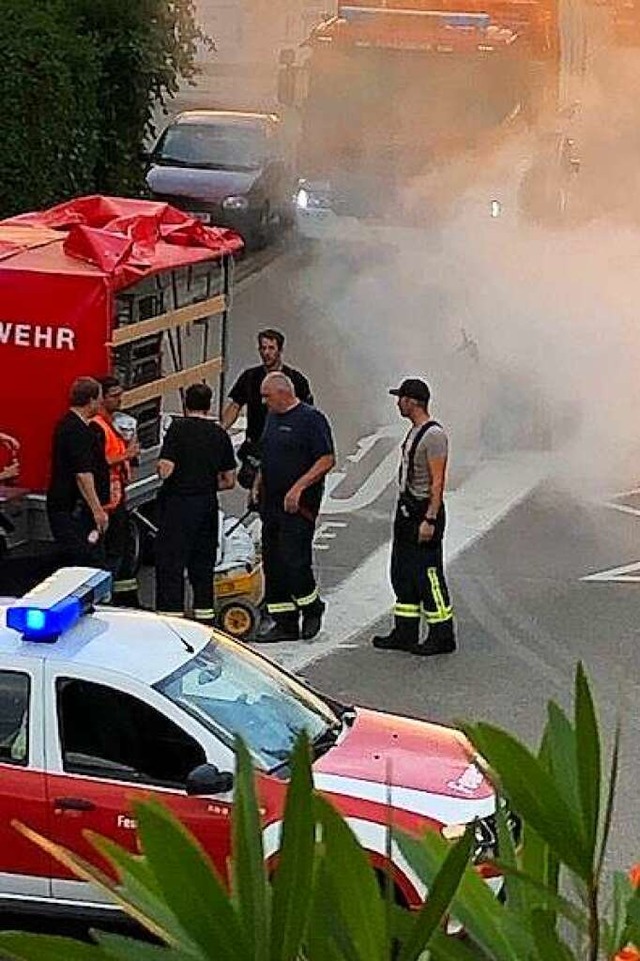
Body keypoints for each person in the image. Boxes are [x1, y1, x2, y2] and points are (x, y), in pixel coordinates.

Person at [372, 378, 456, 656]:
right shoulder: (415, 432)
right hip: (407, 510)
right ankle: (405, 631)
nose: (398, 403)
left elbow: (437, 480)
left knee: (427, 574)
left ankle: (442, 635)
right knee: (402, 572)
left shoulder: (434, 436)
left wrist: (430, 519)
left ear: (413, 401)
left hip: (423, 511)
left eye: (401, 398)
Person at [253, 372, 335, 643]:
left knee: (294, 560)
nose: (264, 402)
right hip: (272, 504)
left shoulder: (311, 419)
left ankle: (311, 608)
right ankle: (284, 621)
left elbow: (326, 459)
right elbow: (267, 455)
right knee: (272, 562)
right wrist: (257, 484)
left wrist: (300, 487)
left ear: (282, 392)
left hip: (298, 507)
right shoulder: (272, 419)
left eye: (267, 396)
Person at [155, 382, 236, 625]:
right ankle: (204, 617)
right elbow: (229, 480)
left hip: (178, 505)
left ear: (185, 404)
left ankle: (172, 619)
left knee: (172, 563)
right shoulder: (219, 434)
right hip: (206, 504)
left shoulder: (178, 430)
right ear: (209, 405)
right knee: (202, 564)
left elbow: (165, 470)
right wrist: (206, 484)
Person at [221, 329, 312, 488]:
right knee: (250, 482)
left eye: (271, 348)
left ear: (280, 350)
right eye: (263, 348)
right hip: (256, 445)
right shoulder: (250, 377)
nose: (266, 353)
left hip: (284, 447)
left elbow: (307, 415)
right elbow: (235, 405)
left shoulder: (296, 380)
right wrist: (220, 431)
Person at [46, 377, 110, 567]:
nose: (101, 403)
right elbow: (83, 474)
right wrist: (97, 510)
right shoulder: (77, 431)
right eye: (99, 398)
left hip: (72, 507)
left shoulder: (71, 425)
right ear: (90, 400)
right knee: (85, 561)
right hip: (74, 510)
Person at [91, 376, 140, 607]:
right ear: (101, 398)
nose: (120, 400)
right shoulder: (97, 427)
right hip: (105, 500)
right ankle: (105, 600)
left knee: (123, 548)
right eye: (114, 396)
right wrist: (126, 455)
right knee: (110, 551)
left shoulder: (114, 423)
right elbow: (98, 462)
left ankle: (124, 598)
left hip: (116, 496)